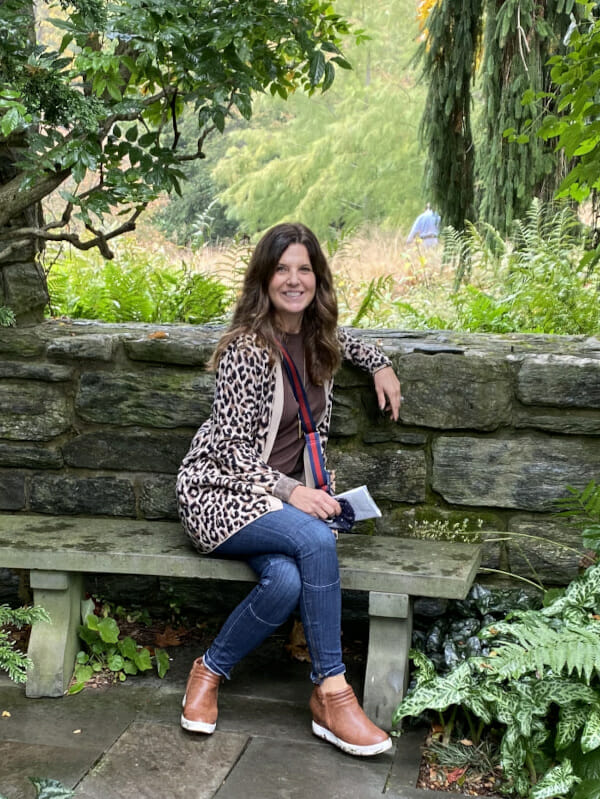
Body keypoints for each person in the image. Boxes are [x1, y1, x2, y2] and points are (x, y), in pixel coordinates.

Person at [176, 222, 402, 757]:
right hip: (220, 495)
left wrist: (381, 364)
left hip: (272, 502)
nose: (294, 280)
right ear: (264, 278)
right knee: (316, 542)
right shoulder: (246, 349)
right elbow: (228, 451)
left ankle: (207, 671)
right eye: (282, 269)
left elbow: (349, 341)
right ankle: (331, 691)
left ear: (318, 280)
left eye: (305, 269)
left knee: (283, 584)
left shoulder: (318, 339)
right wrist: (293, 492)